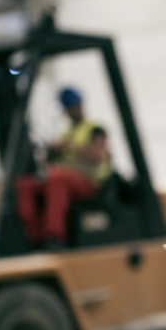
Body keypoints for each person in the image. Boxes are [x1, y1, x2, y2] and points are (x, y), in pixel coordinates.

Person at [15, 87, 111, 249]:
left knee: (57, 179)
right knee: (26, 184)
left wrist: (68, 146)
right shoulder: (65, 132)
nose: (71, 111)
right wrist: (51, 152)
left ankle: (55, 236)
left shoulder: (95, 129)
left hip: (90, 181)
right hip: (65, 178)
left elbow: (97, 156)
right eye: (68, 108)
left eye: (73, 107)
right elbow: (49, 161)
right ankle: (33, 236)